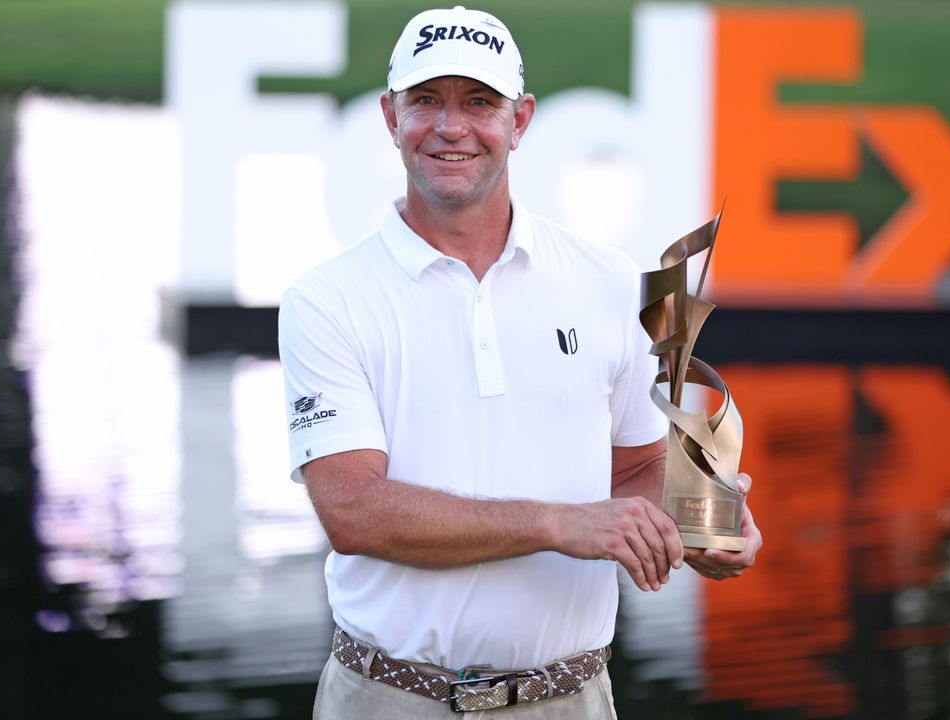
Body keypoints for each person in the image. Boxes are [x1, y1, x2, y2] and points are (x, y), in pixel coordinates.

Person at [279, 6, 762, 718]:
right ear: (390, 115)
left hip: (569, 698)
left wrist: (702, 522)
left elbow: (633, 467)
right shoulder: (327, 300)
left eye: (479, 102)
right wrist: (558, 524)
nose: (451, 127)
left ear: (521, 120)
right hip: (390, 697)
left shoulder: (610, 282)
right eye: (425, 101)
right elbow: (354, 511)